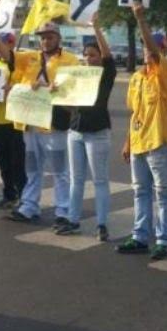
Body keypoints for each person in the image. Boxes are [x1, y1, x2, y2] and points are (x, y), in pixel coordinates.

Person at [0, 21, 79, 225]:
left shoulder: (71, 59)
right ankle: (29, 206)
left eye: (50, 37)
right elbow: (8, 56)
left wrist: (54, 87)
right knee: (32, 167)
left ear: (58, 38)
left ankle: (63, 211)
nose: (45, 41)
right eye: (42, 37)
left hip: (54, 122)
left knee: (60, 170)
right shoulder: (31, 57)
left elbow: (75, 88)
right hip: (30, 121)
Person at [116, 2, 167, 261]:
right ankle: (140, 236)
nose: (149, 52)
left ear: (163, 51)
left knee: (162, 193)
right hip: (139, 142)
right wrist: (127, 141)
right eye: (146, 47)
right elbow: (136, 113)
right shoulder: (136, 79)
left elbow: (154, 50)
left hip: (159, 142)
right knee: (140, 191)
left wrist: (140, 18)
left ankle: (164, 239)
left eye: (154, 48)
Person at [57, 14, 116, 241]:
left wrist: (97, 28)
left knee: (99, 180)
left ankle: (101, 224)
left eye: (93, 55)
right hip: (76, 131)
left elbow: (109, 56)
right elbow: (68, 105)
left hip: (97, 133)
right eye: (86, 56)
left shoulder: (106, 75)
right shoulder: (79, 76)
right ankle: (73, 220)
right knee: (76, 179)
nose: (89, 59)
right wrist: (56, 92)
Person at [0, 30, 25, 210]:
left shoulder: (16, 63)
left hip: (14, 120)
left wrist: (13, 88)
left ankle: (24, 196)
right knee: (3, 161)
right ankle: (9, 194)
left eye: (4, 43)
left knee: (17, 162)